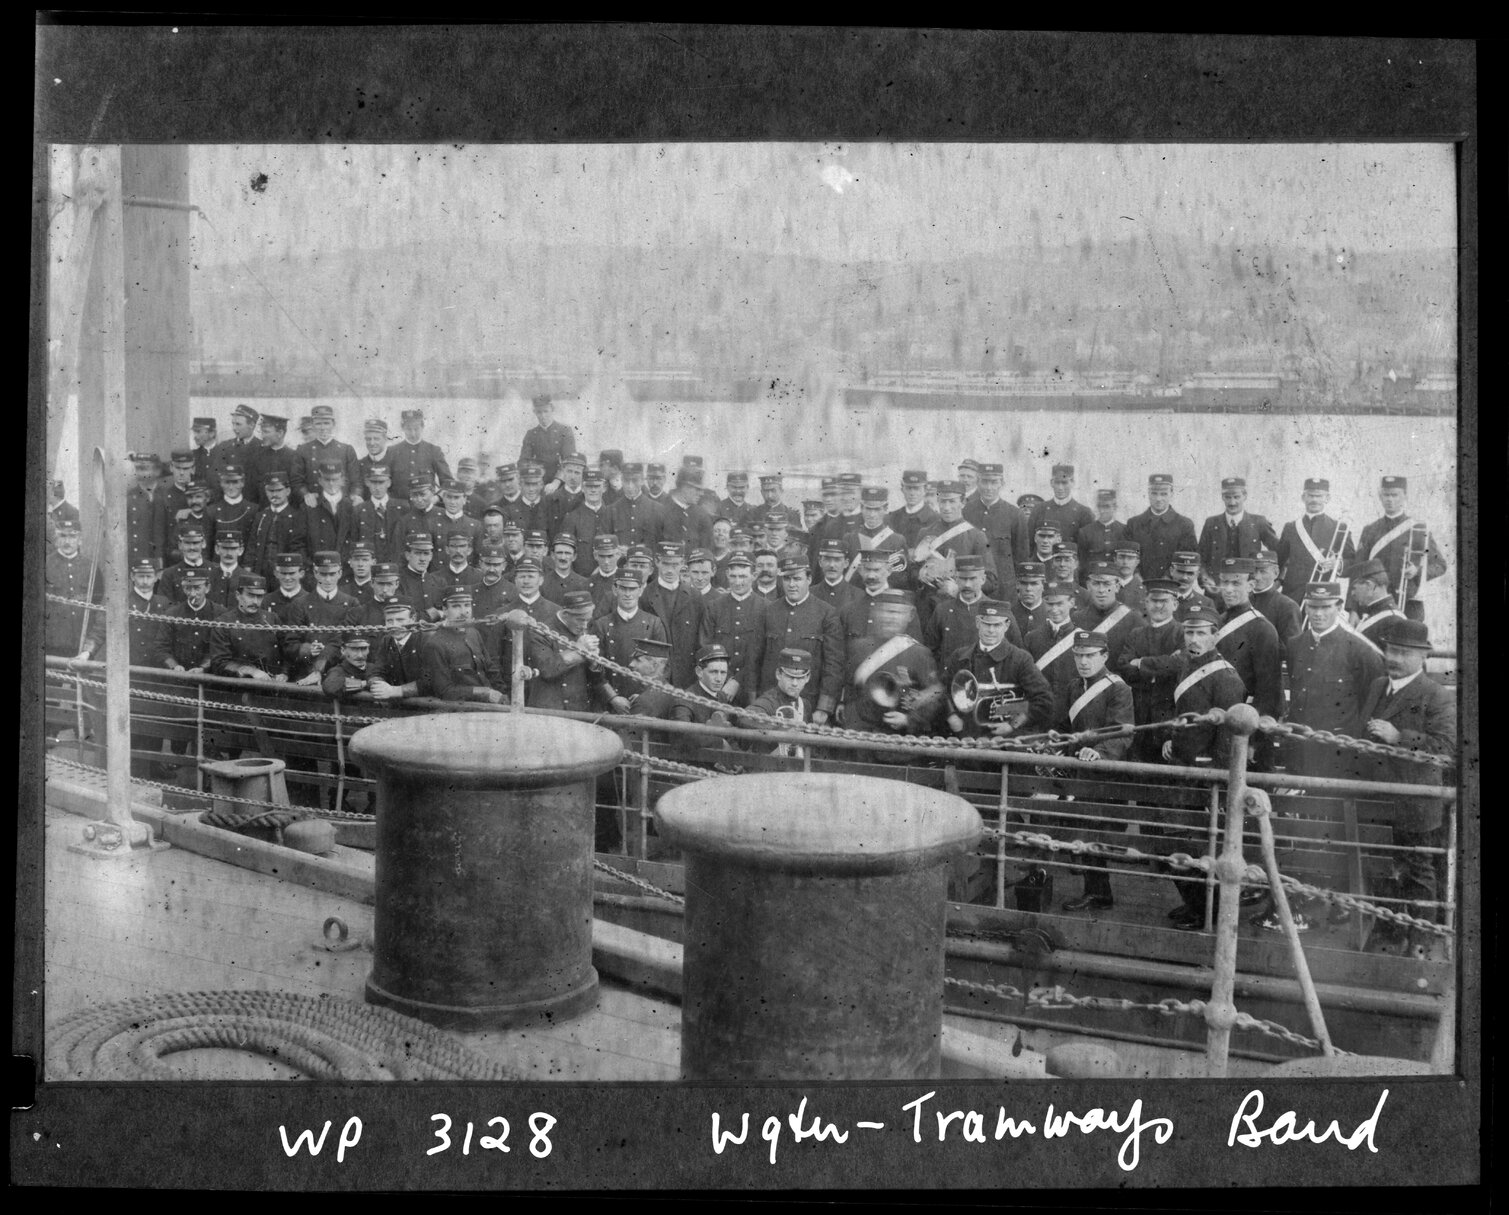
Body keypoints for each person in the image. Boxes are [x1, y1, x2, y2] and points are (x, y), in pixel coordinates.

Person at [1355, 619, 1456, 956]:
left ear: (1421, 657)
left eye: (1402, 653)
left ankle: (1421, 941)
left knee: (1418, 874)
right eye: (1390, 650)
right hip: (1378, 798)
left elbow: (1445, 750)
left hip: (1415, 803)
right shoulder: (1379, 685)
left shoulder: (1435, 695)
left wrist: (1399, 738)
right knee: (1381, 868)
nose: (1393, 658)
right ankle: (1389, 931)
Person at [1158, 605, 1249, 928]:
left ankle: (1206, 910)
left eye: (1200, 633)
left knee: (1196, 843)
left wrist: (1216, 779)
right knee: (1176, 839)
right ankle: (1193, 902)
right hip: (1182, 766)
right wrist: (1173, 737)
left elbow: (1228, 738)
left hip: (1204, 775)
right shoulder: (1187, 664)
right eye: (1189, 632)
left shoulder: (1225, 677)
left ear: (1216, 636)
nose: (1193, 639)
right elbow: (1183, 710)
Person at [1051, 630, 1133, 912]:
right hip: (1078, 771)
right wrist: (1056, 738)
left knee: (1092, 832)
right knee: (1081, 829)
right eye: (1078, 656)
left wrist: (1100, 752)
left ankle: (1100, 893)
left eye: (1090, 656)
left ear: (1105, 656)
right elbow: (1066, 726)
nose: (1083, 662)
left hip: (1103, 773)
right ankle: (1095, 890)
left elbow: (1123, 733)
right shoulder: (1075, 686)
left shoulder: (1117, 688)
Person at [1282, 579, 1385, 782]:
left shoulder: (1359, 650)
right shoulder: (1295, 645)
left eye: (1326, 607)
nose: (1318, 614)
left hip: (1338, 751)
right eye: (1313, 607)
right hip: (1300, 746)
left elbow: (1371, 704)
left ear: (1339, 607)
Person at [844, 589, 944, 749]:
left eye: (897, 612)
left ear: (909, 616)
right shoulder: (859, 647)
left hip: (896, 743)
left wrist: (909, 720)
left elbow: (935, 695)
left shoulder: (918, 653)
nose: (891, 618)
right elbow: (849, 690)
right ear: (876, 613)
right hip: (859, 738)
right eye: (886, 611)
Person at [941, 600, 1053, 741]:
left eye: (997, 625)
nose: (991, 630)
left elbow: (1043, 700)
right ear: (977, 623)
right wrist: (951, 715)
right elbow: (942, 690)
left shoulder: (1020, 659)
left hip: (1005, 741)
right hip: (967, 737)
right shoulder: (959, 656)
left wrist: (1013, 724)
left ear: (1006, 625)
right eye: (986, 624)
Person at [1211, 556, 1285, 771]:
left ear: (1251, 586)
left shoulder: (1262, 628)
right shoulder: (1217, 621)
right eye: (1224, 582)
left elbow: (1269, 690)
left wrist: (1255, 739)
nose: (1228, 589)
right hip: (1219, 720)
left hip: (1246, 726)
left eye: (1236, 583)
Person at [759, 557, 844, 721]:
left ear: (809, 579)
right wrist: (754, 700)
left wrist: (824, 708)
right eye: (787, 579)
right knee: (771, 747)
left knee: (797, 747)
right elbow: (755, 659)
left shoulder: (826, 613)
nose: (791, 585)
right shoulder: (769, 611)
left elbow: (834, 665)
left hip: (807, 703)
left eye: (797, 579)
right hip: (770, 701)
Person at [1355, 475, 1447, 624]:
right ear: (1380, 496)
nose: (1390, 499)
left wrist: (1417, 572)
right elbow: (1358, 571)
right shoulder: (1370, 530)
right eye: (1386, 495)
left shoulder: (1418, 529)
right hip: (1375, 603)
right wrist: (1354, 610)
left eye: (1395, 495)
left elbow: (1441, 565)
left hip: (1409, 605)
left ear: (1404, 496)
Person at [1114, 578, 1185, 763]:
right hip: (1138, 715)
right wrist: (1162, 667)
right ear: (1146, 603)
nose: (1158, 606)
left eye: (1164, 601)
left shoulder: (1182, 634)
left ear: (1175, 604)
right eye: (1154, 601)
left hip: (1170, 717)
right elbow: (1124, 667)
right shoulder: (1136, 634)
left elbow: (1180, 665)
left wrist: (1141, 662)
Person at [697, 552, 768, 707]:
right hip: (718, 686)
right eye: (733, 576)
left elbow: (765, 652)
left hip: (753, 688)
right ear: (727, 575)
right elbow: (706, 647)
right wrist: (724, 678)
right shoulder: (714, 607)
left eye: (743, 576)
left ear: (754, 575)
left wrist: (737, 680)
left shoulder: (766, 608)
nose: (737, 582)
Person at [283, 551, 362, 686]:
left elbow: (348, 641)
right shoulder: (300, 604)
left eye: (332, 574)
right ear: (315, 573)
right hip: (305, 674)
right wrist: (307, 649)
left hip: (339, 674)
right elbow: (290, 644)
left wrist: (322, 664)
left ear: (340, 573)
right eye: (323, 574)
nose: (328, 580)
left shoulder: (351, 603)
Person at [520, 589, 600, 712]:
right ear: (565, 614)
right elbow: (547, 669)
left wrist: (594, 663)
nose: (585, 625)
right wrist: (579, 651)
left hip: (578, 708)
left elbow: (596, 679)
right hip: (548, 710)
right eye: (580, 620)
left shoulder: (587, 625)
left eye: (587, 620)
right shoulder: (541, 631)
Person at [913, 480, 998, 596]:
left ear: (963, 502)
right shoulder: (925, 533)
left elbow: (991, 581)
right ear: (938, 501)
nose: (947, 507)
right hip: (928, 606)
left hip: (958, 606)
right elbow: (911, 572)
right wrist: (920, 574)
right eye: (943, 501)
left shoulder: (976, 536)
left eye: (952, 501)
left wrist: (959, 588)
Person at [1276, 477, 1355, 600]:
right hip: (1292, 593)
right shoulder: (1290, 527)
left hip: (1324, 592)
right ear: (1303, 498)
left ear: (1327, 498)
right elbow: (1279, 561)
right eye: (1310, 496)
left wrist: (1338, 564)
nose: (1314, 500)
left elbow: (1352, 561)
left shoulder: (1339, 527)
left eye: (1319, 496)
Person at [640, 542, 706, 690]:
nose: (670, 570)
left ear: (683, 563)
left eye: (675, 565)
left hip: (687, 676)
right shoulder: (644, 596)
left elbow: (700, 641)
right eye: (665, 564)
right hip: (655, 676)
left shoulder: (694, 597)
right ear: (657, 562)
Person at [424, 586, 505, 703]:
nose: (463, 612)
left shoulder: (474, 633)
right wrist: (483, 693)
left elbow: (491, 671)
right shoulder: (435, 644)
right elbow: (444, 691)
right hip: (462, 709)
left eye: (467, 605)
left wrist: (504, 695)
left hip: (492, 705)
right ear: (445, 610)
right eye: (456, 606)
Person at [207, 572, 289, 682]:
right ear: (237, 595)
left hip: (273, 685)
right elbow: (219, 663)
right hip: (240, 687)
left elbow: (288, 651)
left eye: (259, 597)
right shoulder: (223, 623)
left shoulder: (272, 619)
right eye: (250, 595)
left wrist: (284, 673)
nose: (255, 601)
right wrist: (250, 671)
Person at [1197, 476, 1280, 583]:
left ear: (1244, 496)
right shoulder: (1211, 523)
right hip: (1217, 588)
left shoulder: (1259, 522)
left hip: (1248, 590)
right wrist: (1205, 578)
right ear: (1222, 497)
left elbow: (1281, 552)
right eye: (1228, 497)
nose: (1232, 502)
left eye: (1236, 497)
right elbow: (1200, 557)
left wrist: (1278, 581)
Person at [741, 647, 817, 758]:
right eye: (790, 677)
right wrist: (784, 731)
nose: (795, 683)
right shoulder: (769, 700)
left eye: (800, 678)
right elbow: (745, 718)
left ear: (807, 678)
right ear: (778, 674)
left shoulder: (805, 704)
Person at [45, 516, 104, 661]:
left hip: (82, 649)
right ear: (56, 538)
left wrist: (89, 649)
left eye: (72, 536)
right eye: (62, 536)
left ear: (80, 539)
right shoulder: (45, 565)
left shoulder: (91, 568)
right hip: (51, 647)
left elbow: (98, 610)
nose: (67, 541)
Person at [1071, 558, 1145, 667]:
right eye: (1096, 583)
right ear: (1088, 585)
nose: (1101, 590)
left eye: (1107, 584)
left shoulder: (1134, 620)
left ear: (1117, 586)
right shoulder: (1077, 618)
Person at [593, 568, 670, 672]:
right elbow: (597, 667)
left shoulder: (654, 623)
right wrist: (606, 687)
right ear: (615, 590)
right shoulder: (602, 625)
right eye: (623, 589)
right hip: (611, 686)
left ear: (640, 590)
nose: (628, 594)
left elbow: (661, 666)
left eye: (632, 589)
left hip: (643, 685)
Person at [1124, 473, 1198, 581]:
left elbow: (1188, 558)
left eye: (1164, 494)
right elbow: (1127, 555)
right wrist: (1136, 576)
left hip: (1171, 584)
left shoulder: (1184, 525)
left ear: (1171, 493)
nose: (1158, 499)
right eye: (1154, 493)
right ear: (1148, 493)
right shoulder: (1134, 524)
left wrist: (1168, 577)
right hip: (1139, 584)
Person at [247, 471, 307, 581]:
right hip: (260, 572)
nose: (274, 494)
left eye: (279, 490)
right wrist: (248, 568)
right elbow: (252, 545)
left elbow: (298, 549)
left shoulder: (297, 517)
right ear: (266, 492)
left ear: (288, 491)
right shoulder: (261, 516)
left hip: (284, 574)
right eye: (271, 490)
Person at [1025, 580, 1081, 694]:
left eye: (1060, 604)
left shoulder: (1081, 638)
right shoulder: (1032, 638)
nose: (1054, 610)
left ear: (1071, 602)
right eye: (1050, 604)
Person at [1027, 463, 1094, 553]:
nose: (1060, 487)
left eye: (1064, 483)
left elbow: (1087, 548)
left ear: (1072, 482)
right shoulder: (1039, 509)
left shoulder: (1084, 512)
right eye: (1057, 482)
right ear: (1051, 483)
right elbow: (1029, 543)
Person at [387, 408, 451, 499]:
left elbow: (447, 482)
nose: (413, 433)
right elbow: (384, 482)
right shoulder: (392, 451)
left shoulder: (434, 451)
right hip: (399, 509)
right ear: (403, 428)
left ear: (422, 427)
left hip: (425, 507)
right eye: (408, 429)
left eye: (416, 429)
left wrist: (437, 498)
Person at [1346, 557, 1406, 653]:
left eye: (1354, 588)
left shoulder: (1393, 620)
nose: (1352, 594)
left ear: (1369, 586)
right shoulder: (1376, 613)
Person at [248, 414, 307, 506]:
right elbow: (252, 489)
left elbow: (296, 487)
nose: (262, 436)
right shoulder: (257, 456)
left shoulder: (294, 457)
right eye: (262, 432)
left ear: (280, 433)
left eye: (266, 432)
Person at [562, 466, 613, 573]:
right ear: (582, 488)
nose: (593, 490)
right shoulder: (572, 518)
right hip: (582, 579)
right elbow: (566, 555)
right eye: (589, 486)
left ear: (603, 488)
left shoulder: (612, 515)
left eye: (597, 486)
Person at [518, 395, 577, 486]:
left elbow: (569, 461)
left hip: (561, 481)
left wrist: (556, 482)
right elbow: (523, 461)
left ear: (552, 409)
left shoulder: (564, 430)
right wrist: (533, 478)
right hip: (537, 480)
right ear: (534, 412)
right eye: (539, 412)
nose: (543, 416)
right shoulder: (530, 434)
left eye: (546, 411)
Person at [1249, 547, 1304, 641]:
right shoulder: (1242, 600)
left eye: (1263, 571)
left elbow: (1292, 649)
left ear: (1276, 573)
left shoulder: (1287, 607)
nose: (1257, 577)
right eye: (1254, 571)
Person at [204, 462, 259, 552]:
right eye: (227, 482)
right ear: (221, 483)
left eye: (235, 482)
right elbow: (207, 546)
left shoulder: (254, 510)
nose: (231, 487)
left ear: (242, 483)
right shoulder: (211, 511)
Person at [126, 452, 168, 567]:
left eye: (145, 468)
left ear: (157, 471)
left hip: (165, 561)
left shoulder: (166, 495)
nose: (140, 471)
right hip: (138, 561)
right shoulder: (129, 498)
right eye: (138, 468)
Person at [888, 468, 939, 550]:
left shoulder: (935, 519)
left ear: (925, 490)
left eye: (916, 488)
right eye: (908, 488)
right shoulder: (892, 517)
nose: (912, 493)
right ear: (902, 489)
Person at [1077, 488, 1127, 566]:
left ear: (1115, 507)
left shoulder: (1125, 530)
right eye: (1100, 506)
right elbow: (1082, 562)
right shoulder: (1085, 532)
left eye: (1106, 506)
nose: (1102, 511)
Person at [542, 452, 586, 539]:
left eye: (577, 472)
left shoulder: (588, 499)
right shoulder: (550, 499)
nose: (572, 476)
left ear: (583, 474)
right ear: (564, 471)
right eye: (569, 471)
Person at [1010, 561, 1049, 639]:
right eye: (1024, 583)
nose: (1028, 589)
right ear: (1017, 585)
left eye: (1034, 584)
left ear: (1043, 585)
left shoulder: (1051, 614)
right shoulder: (1010, 614)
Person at [355, 418, 391, 499]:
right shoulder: (360, 464)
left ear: (385, 439)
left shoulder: (395, 461)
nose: (372, 443)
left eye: (376, 439)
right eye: (368, 439)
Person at [1111, 540, 1145, 612]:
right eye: (1121, 557)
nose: (1125, 562)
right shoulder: (1107, 587)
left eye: (1130, 558)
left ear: (1137, 562)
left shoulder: (1144, 591)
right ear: (1115, 560)